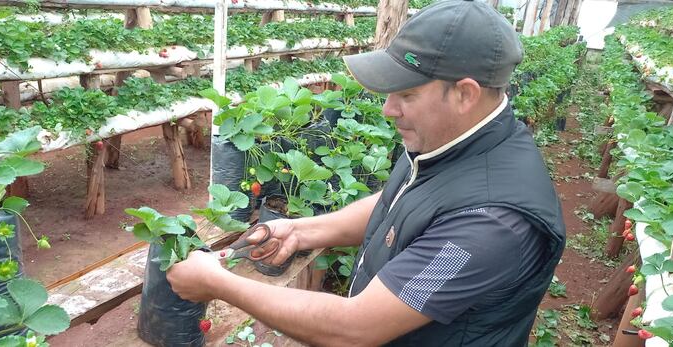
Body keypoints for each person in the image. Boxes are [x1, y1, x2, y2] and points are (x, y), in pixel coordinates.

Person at [167, 0, 566, 345]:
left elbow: (355, 328)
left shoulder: (492, 224)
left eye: (407, 94)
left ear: (465, 94)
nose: (389, 109)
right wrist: (304, 230)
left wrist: (218, 283)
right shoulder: (458, 140)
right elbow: (406, 198)